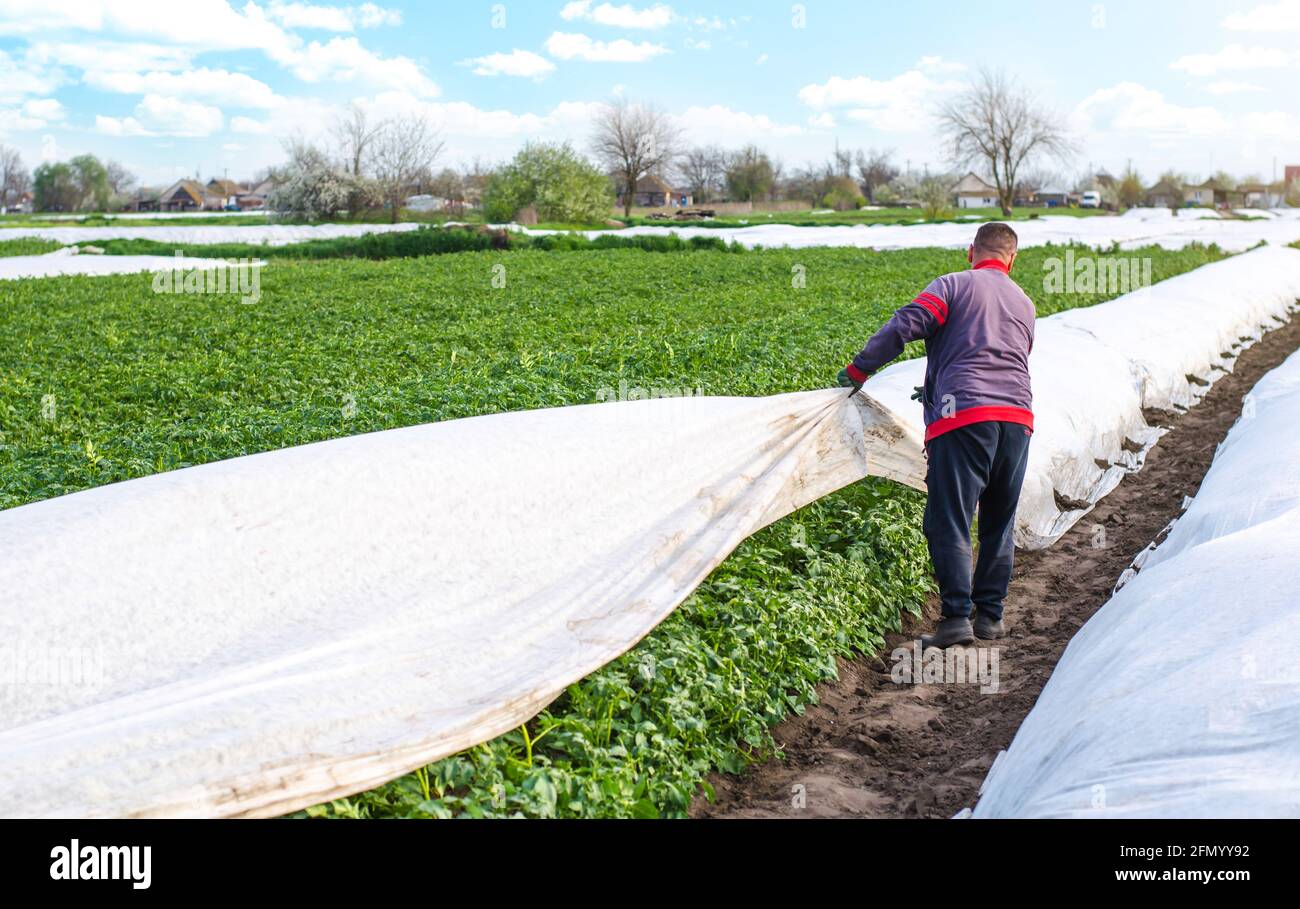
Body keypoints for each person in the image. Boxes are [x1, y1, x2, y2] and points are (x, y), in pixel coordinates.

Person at [837, 222, 1035, 648]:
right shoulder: (1024, 302)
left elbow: (904, 326)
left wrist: (858, 370)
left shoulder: (952, 285)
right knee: (999, 521)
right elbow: (1001, 358)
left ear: (971, 252)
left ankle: (956, 620)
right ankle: (991, 617)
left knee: (950, 517)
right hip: (1018, 419)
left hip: (963, 416)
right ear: (1012, 259)